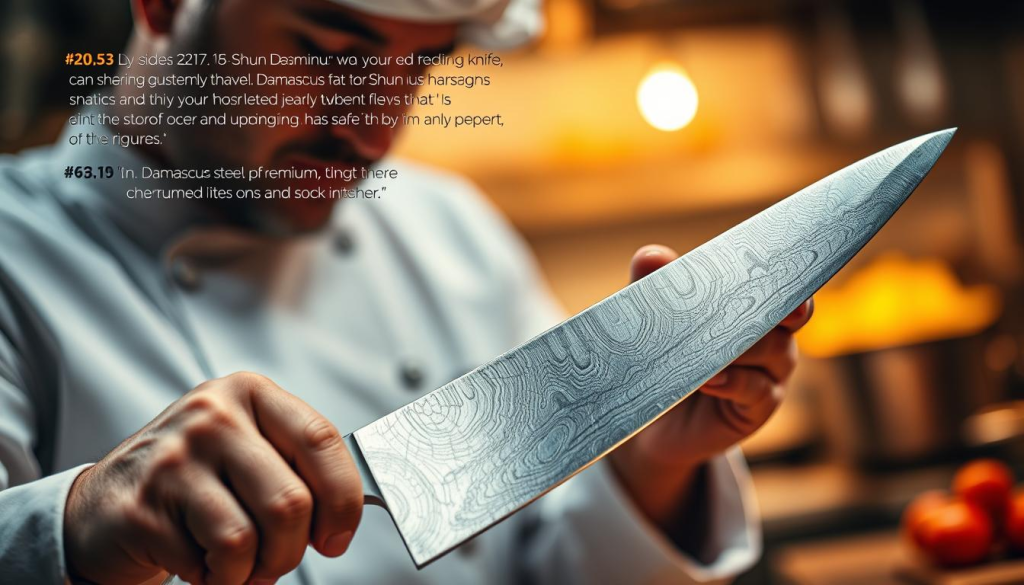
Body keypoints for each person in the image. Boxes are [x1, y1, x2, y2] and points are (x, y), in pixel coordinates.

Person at [0, 0, 813, 583]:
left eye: (418, 65)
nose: (373, 129)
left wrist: (651, 460)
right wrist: (78, 523)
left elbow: (542, 564)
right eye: (327, 53)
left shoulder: (448, 227)